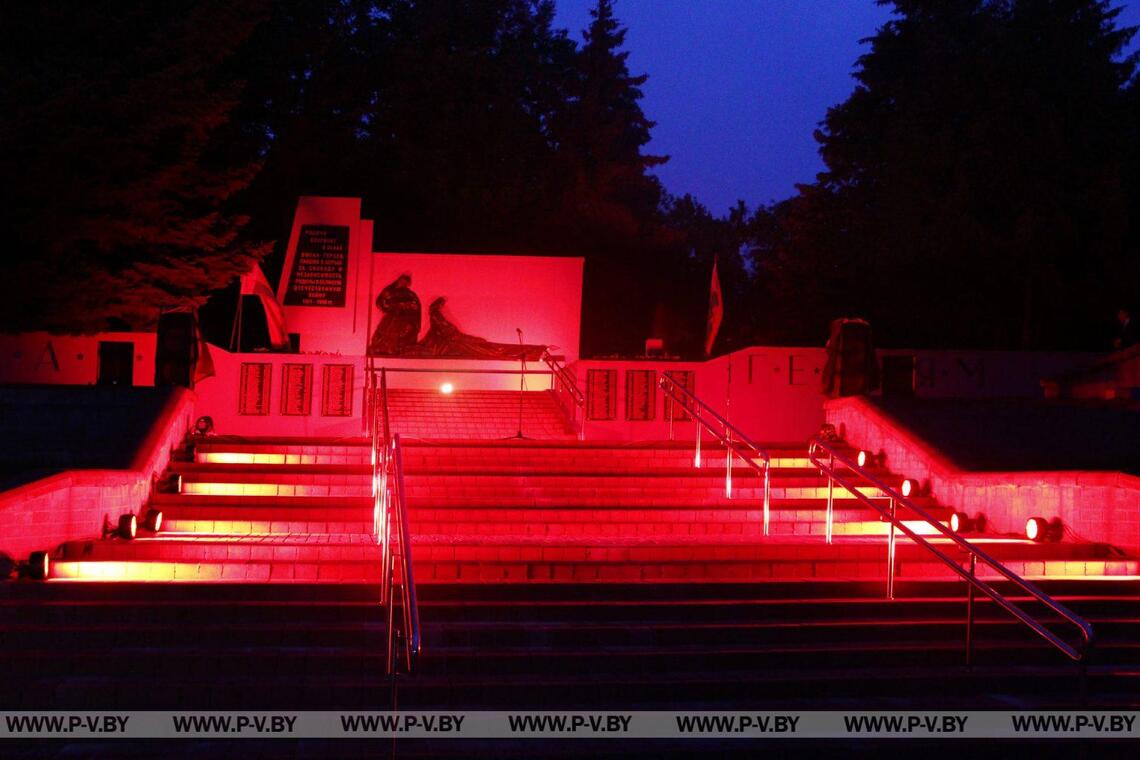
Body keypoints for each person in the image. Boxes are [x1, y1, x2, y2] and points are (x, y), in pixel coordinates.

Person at [368, 274, 420, 355]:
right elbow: (380, 302)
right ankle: (381, 347)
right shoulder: (389, 291)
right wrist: (394, 305)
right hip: (391, 316)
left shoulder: (410, 294)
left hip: (402, 318)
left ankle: (394, 349)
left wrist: (408, 306)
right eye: (402, 282)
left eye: (406, 283)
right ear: (398, 281)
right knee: (385, 331)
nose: (403, 284)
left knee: (397, 334)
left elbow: (415, 306)